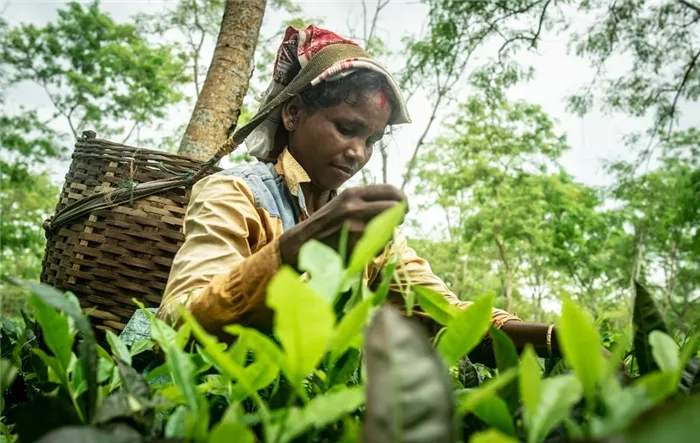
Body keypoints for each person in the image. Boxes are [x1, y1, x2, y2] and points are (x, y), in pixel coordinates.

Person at [121, 25, 568, 365]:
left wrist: (556, 341)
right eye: (346, 128)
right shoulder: (235, 193)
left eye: (371, 140)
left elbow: (448, 316)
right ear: (293, 113)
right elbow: (179, 322)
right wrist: (300, 244)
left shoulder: (365, 232)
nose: (358, 152)